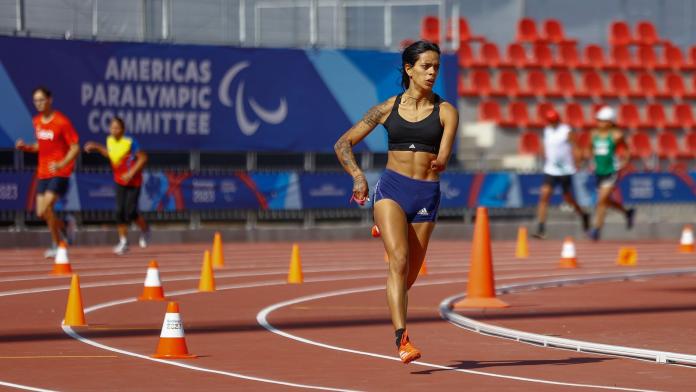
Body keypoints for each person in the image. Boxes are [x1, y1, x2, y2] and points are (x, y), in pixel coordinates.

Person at [334, 41, 458, 364]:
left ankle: (389, 233)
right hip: (391, 189)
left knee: (407, 278)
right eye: (426, 66)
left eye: (437, 68)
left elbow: (444, 152)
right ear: (409, 69)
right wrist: (358, 176)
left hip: (426, 197)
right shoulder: (386, 109)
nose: (432, 73)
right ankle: (402, 339)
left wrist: (441, 162)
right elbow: (342, 143)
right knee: (398, 260)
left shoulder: (446, 112)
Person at [15, 87, 79, 258]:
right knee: (41, 213)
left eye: (42, 99)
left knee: (48, 207)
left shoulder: (61, 122)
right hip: (42, 172)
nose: (39, 103)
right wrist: (26, 147)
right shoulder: (36, 121)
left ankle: (57, 244)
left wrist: (61, 164)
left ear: (50, 100)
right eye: (36, 100)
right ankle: (65, 225)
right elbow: (40, 145)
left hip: (59, 172)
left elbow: (75, 148)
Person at [84, 117, 150, 255]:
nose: (114, 130)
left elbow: (143, 158)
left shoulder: (130, 142)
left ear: (123, 129)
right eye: (112, 128)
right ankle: (123, 242)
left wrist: (131, 173)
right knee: (119, 211)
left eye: (117, 128)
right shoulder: (109, 141)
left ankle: (145, 229)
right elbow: (111, 155)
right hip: (119, 181)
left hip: (134, 182)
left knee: (130, 212)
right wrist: (96, 147)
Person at [533, 108, 590, 239]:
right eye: (550, 121)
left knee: (568, 199)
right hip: (550, 169)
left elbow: (575, 147)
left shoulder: (566, 131)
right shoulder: (547, 131)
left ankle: (583, 214)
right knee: (544, 195)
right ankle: (541, 228)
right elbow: (545, 146)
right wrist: (543, 154)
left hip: (565, 170)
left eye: (554, 120)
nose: (552, 123)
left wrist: (578, 161)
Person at [585, 106, 635, 241]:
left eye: (603, 120)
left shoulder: (616, 135)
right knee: (605, 201)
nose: (599, 123)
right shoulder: (593, 134)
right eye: (599, 120)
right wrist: (590, 159)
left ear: (610, 122)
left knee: (601, 201)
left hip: (611, 171)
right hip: (598, 171)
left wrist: (625, 161)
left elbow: (626, 149)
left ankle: (596, 230)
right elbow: (589, 148)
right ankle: (627, 212)